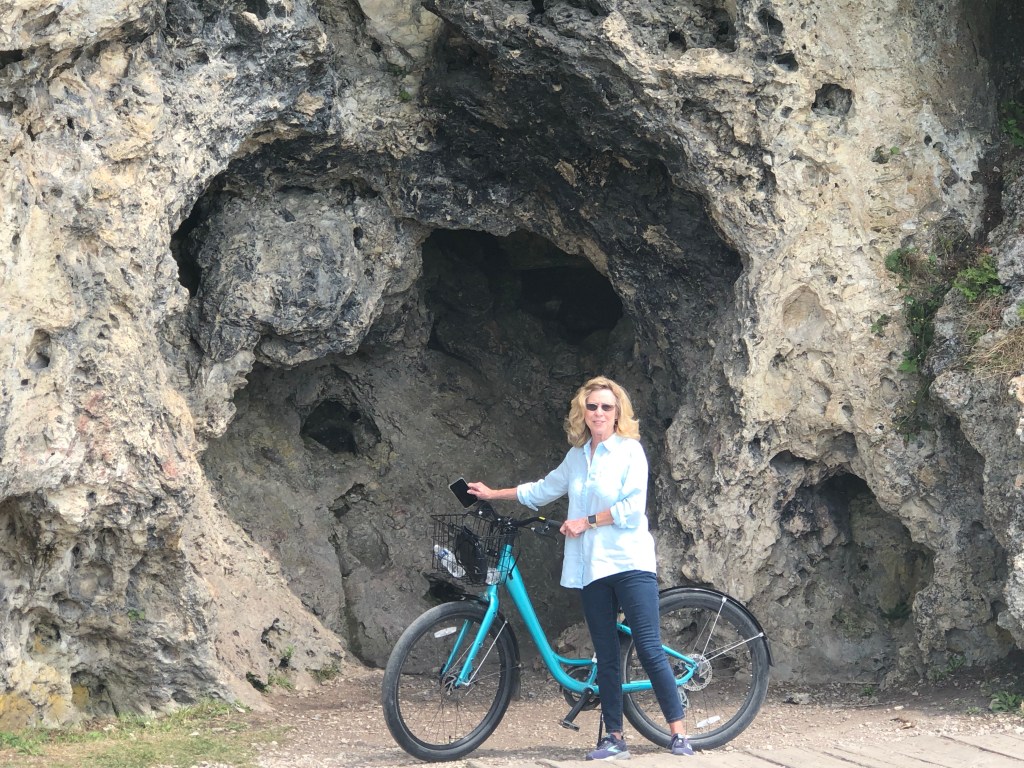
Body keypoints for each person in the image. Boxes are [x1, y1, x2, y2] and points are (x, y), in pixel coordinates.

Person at [468, 376, 694, 760]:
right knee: (606, 655)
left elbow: (631, 508)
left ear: (618, 412)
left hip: (629, 561)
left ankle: (679, 734)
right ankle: (614, 739)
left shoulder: (629, 451)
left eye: (607, 406)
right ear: (583, 412)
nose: (599, 412)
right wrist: (493, 493)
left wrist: (586, 522)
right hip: (593, 567)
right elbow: (542, 489)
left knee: (648, 646)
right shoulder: (576, 457)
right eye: (592, 406)